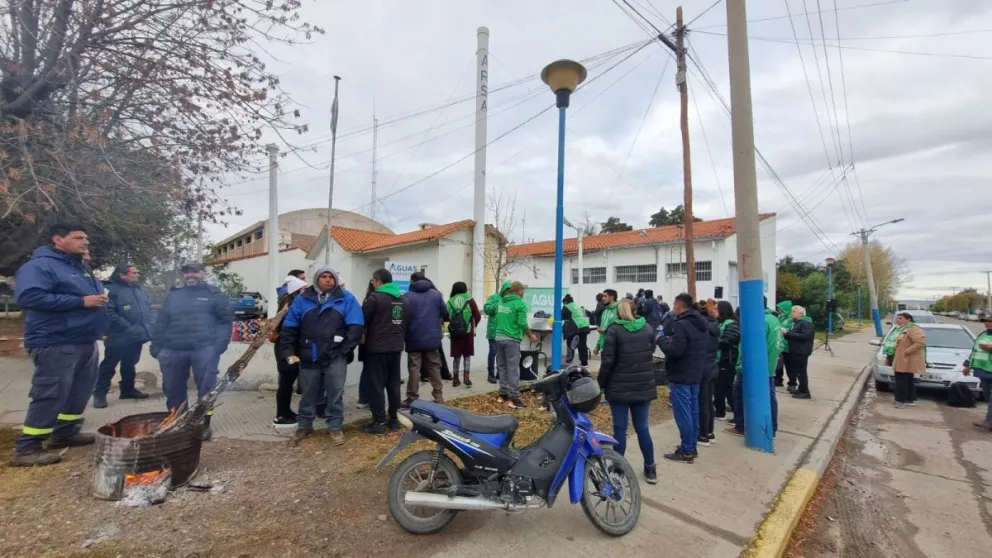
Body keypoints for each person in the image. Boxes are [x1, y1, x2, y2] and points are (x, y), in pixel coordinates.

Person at [9, 225, 109, 467]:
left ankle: (64, 432)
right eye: (78, 238)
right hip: (56, 340)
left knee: (79, 391)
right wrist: (80, 301)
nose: (85, 242)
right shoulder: (40, 266)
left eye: (86, 237)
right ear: (58, 239)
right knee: (50, 394)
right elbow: (28, 297)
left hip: (84, 340)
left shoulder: (79, 267)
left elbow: (94, 301)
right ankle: (28, 448)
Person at [279, 265, 363, 446]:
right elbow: (289, 329)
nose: (328, 280)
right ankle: (304, 425)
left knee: (335, 393)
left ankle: (335, 427)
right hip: (309, 354)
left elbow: (356, 328)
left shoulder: (346, 299)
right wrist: (289, 353)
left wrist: (344, 350)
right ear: (317, 279)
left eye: (331, 277)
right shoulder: (302, 300)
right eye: (323, 276)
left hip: (335, 356)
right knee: (308, 393)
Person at [151, 262, 233, 441]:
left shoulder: (215, 295)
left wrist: (218, 347)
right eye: (187, 273)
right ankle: (178, 423)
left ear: (202, 273)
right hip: (173, 350)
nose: (190, 275)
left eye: (194, 272)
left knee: (207, 389)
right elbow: (161, 322)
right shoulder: (174, 296)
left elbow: (225, 322)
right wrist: (156, 347)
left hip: (204, 350)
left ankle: (202, 424)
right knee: (173, 390)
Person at [599, 298, 658, 483]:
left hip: (619, 387)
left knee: (620, 430)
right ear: (635, 310)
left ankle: (618, 469)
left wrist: (601, 384)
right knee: (642, 428)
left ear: (619, 312)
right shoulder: (648, 328)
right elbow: (651, 350)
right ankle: (650, 468)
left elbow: (607, 361)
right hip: (643, 385)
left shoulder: (614, 330)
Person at [657, 293, 709, 463]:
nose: (673, 306)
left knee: (683, 414)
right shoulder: (701, 323)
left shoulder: (681, 324)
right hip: (695, 372)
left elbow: (675, 351)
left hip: (681, 374)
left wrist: (661, 340)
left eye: (674, 303)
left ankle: (686, 450)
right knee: (693, 411)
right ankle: (691, 446)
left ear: (679, 305)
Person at [93, 263, 153, 408]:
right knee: (109, 364)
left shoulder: (139, 290)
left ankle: (127, 390)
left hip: (136, 334)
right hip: (117, 335)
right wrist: (128, 327)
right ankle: (100, 394)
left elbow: (148, 309)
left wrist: (149, 325)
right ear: (122, 275)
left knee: (130, 363)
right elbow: (109, 312)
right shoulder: (111, 290)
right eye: (133, 272)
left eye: (137, 272)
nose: (137, 274)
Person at [360, 268, 407, 434]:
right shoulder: (402, 299)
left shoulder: (374, 299)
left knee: (376, 386)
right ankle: (394, 420)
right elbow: (406, 322)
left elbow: (361, 321)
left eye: (373, 281)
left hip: (376, 349)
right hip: (396, 347)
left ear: (378, 282)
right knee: (393, 385)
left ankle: (379, 422)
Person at [727, 298, 782, 437]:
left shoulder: (758, 321)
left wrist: (740, 365)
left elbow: (751, 346)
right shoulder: (773, 319)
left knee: (739, 394)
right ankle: (772, 426)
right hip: (769, 364)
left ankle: (740, 426)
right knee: (769, 397)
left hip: (753, 366)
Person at [402, 271, 448, 406]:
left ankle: (412, 397)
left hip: (413, 336)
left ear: (412, 281)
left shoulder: (407, 296)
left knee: (414, 367)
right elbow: (445, 313)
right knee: (434, 366)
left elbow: (404, 317)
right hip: (433, 337)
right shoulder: (436, 295)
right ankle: (438, 397)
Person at [269, 275, 308, 427]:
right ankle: (281, 416)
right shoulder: (291, 308)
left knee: (287, 382)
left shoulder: (288, 305)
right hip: (287, 351)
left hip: (286, 350)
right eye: (304, 289)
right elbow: (288, 332)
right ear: (296, 292)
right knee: (286, 382)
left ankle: (286, 412)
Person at [494, 281, 538, 409]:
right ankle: (514, 397)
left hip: (499, 337)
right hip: (511, 339)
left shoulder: (501, 302)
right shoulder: (520, 303)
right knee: (513, 369)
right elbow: (522, 323)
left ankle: (503, 394)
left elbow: (497, 318)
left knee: (502, 367)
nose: (523, 292)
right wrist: (530, 336)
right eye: (523, 290)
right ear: (519, 291)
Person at [446, 281, 481, 388]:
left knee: (456, 355)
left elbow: (445, 317)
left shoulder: (450, 301)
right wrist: (472, 325)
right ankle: (466, 377)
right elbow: (478, 316)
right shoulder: (470, 300)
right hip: (467, 332)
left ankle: (455, 379)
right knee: (467, 355)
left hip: (455, 333)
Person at [963, 316, 992, 431]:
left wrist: (990, 348)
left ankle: (989, 422)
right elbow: (974, 351)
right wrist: (967, 365)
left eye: (991, 321)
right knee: (987, 397)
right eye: (987, 321)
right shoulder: (983, 335)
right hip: (983, 371)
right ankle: (988, 420)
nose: (988, 323)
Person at [697, 300, 720, 447]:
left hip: (702, 366)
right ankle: (710, 432)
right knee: (709, 401)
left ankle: (703, 434)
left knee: (702, 401)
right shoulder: (715, 325)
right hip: (712, 365)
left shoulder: (702, 327)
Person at [891, 312, 925, 408]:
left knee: (901, 381)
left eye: (901, 318)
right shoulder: (902, 329)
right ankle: (909, 399)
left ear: (908, 319)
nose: (898, 320)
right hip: (902, 358)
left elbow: (919, 343)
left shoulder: (913, 328)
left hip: (907, 359)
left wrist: (906, 351)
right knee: (908, 380)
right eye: (897, 318)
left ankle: (900, 401)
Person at [713, 301, 740, 422]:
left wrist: (712, 340)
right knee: (721, 387)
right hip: (721, 359)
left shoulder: (731, 324)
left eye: (716, 309)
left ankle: (732, 413)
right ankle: (720, 410)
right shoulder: (722, 323)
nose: (714, 311)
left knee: (726, 388)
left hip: (727, 360)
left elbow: (729, 341)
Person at [782, 305, 814, 399]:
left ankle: (805, 392)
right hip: (796, 350)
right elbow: (794, 335)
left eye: (794, 311)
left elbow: (805, 336)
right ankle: (801, 389)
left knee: (801, 372)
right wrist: (786, 334)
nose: (792, 313)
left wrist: (788, 333)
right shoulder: (796, 322)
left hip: (801, 351)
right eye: (792, 311)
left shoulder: (805, 323)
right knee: (797, 371)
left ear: (801, 313)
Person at [484, 281, 511, 384]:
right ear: (504, 289)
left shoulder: (510, 300)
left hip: (504, 332)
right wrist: (497, 304)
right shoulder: (494, 298)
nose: (508, 292)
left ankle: (499, 373)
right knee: (493, 352)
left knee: (502, 354)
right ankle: (490, 374)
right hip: (493, 331)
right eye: (507, 290)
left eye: (510, 290)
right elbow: (487, 309)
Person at [561, 294, 591, 366]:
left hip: (576, 326)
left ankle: (569, 361)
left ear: (565, 302)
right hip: (584, 326)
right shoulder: (577, 305)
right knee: (582, 345)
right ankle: (584, 363)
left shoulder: (567, 307)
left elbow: (560, 316)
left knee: (570, 343)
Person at [774, 300, 794, 389]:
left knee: (790, 366)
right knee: (778, 365)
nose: (779, 311)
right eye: (778, 309)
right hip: (779, 345)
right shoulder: (779, 317)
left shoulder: (791, 319)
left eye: (780, 309)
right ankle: (778, 380)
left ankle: (792, 383)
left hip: (788, 345)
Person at [593, 289, 619, 355]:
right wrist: (597, 346)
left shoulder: (619, 310)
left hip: (614, 348)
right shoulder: (605, 311)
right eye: (602, 296)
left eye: (605, 296)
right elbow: (602, 331)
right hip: (604, 347)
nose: (602, 298)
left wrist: (606, 332)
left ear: (612, 297)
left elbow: (620, 330)